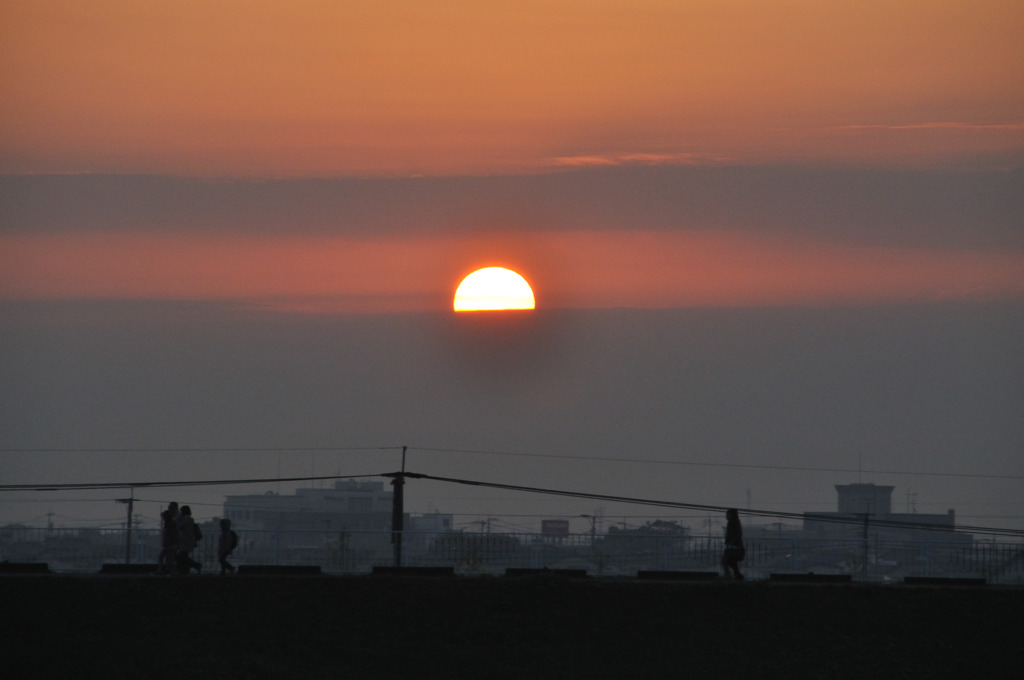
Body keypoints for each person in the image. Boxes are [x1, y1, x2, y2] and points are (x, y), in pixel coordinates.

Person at [175, 505, 203, 574]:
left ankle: (196, 565)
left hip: (187, 541)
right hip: (187, 541)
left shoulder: (187, 519)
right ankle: (189, 568)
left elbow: (179, 526)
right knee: (183, 556)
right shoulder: (189, 519)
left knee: (181, 556)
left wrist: (178, 518)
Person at [156, 502, 181, 575]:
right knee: (165, 557)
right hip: (168, 542)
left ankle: (169, 571)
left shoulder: (174, 521)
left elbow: (175, 533)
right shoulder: (170, 521)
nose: (169, 509)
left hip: (172, 542)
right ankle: (166, 571)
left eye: (171, 507)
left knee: (168, 557)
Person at [721, 508, 745, 581]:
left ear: (732, 515)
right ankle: (737, 575)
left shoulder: (734, 523)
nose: (726, 516)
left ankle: (729, 575)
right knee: (730, 561)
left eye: (728, 514)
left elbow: (738, 534)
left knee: (726, 560)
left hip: (734, 547)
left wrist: (731, 543)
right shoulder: (733, 522)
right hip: (733, 546)